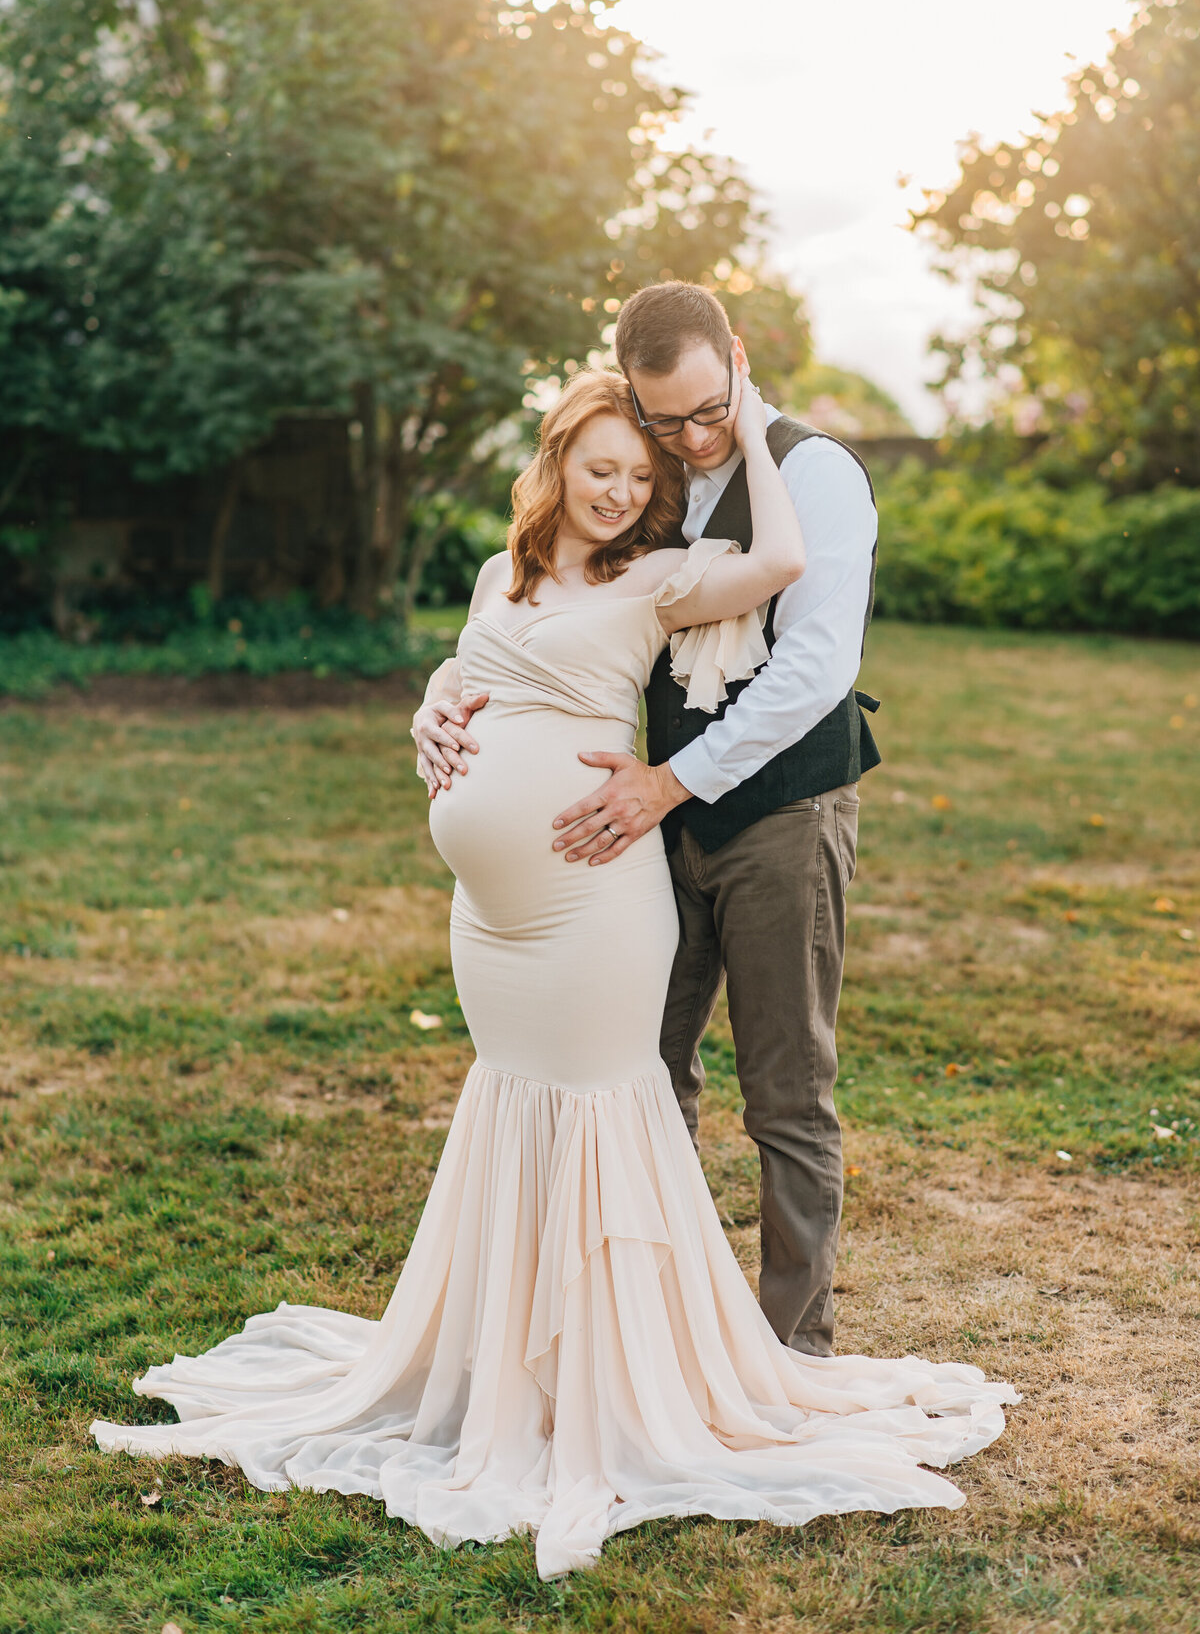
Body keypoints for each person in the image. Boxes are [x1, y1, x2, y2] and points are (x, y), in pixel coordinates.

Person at [93, 366, 1015, 1582]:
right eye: (602, 467)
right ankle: (512, 1365)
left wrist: (746, 413)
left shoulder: (659, 573)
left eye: (642, 476)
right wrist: (427, 717)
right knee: (515, 1100)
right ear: (558, 460)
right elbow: (464, 675)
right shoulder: (500, 571)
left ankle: (625, 1377)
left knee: (609, 1103)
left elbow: (785, 567)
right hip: (491, 921)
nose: (621, 489)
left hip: (595, 903)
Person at [423, 282, 879, 1362]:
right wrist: (432, 707)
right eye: (663, 419)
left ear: (739, 359)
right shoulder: (649, 471)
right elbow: (522, 627)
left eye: (707, 412)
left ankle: (788, 1348)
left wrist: (672, 782)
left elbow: (817, 662)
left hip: (776, 813)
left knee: (784, 1089)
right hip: (643, 829)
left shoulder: (812, 472)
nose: (686, 439)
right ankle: (643, 1330)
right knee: (644, 1069)